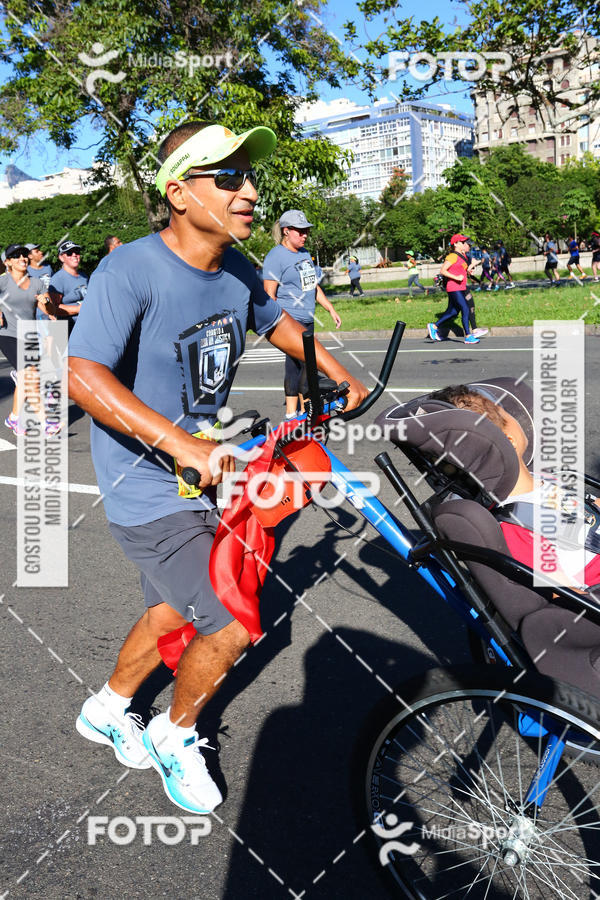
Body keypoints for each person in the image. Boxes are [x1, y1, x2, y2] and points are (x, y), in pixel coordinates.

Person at [68, 120, 367, 815]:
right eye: (228, 178)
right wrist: (183, 444)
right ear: (178, 192)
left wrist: (336, 372)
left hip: (211, 468)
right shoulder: (131, 268)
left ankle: (108, 707)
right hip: (146, 484)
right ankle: (177, 732)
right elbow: (82, 374)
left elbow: (278, 323)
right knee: (231, 619)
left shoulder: (235, 268)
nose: (250, 192)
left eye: (250, 177)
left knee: (177, 604)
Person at [432, 384, 600, 590]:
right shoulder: (517, 524)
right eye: (504, 412)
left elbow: (587, 510)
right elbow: (563, 593)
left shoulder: (540, 479)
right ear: (509, 441)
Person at [263, 210, 342, 418]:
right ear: (286, 231)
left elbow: (313, 286)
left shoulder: (305, 254)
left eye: (306, 231)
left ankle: (304, 409)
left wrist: (330, 309)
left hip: (307, 318)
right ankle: (292, 412)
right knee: (296, 363)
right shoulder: (275, 256)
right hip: (289, 318)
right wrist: (277, 324)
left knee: (306, 364)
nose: (304, 235)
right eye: (300, 231)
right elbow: (269, 294)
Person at [0, 243, 59, 435]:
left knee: (27, 378)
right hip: (7, 335)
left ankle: (14, 418)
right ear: (8, 262)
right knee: (30, 375)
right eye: (16, 256)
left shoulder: (37, 283)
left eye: (24, 255)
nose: (22, 258)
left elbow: (50, 311)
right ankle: (46, 423)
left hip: (29, 335)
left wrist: (47, 302)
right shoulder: (3, 282)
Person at [426, 234, 481, 345]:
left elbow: (461, 271)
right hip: (453, 287)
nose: (464, 244)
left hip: (461, 287)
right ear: (455, 244)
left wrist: (469, 271)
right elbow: (443, 270)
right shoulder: (452, 256)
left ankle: (434, 326)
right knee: (465, 308)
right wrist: (456, 277)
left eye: (464, 242)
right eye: (462, 242)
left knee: (453, 312)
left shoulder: (463, 256)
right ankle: (468, 336)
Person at [49, 241, 89, 331]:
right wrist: (78, 309)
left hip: (85, 326)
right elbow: (53, 308)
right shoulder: (58, 279)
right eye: (69, 253)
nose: (74, 255)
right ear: (61, 258)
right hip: (66, 329)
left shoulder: (84, 276)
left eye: (77, 252)